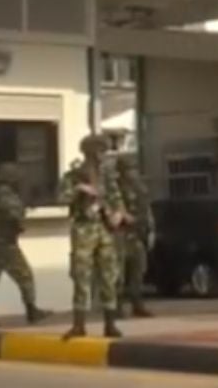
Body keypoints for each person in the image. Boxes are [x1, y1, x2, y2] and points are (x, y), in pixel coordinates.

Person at [59, 133, 127, 339]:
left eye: (103, 151)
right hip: (83, 228)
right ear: (89, 152)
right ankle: (79, 323)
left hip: (104, 229)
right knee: (82, 275)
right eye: (99, 151)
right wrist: (79, 190)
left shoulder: (107, 177)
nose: (102, 156)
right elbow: (61, 197)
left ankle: (110, 323)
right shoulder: (73, 176)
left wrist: (117, 214)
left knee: (109, 275)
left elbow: (117, 200)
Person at [0, 162, 50, 328]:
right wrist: (23, 214)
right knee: (25, 275)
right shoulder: (7, 196)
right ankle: (31, 310)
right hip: (5, 244)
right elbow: (15, 216)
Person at [115, 151, 154, 319]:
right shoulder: (116, 187)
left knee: (138, 271)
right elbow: (111, 205)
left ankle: (138, 305)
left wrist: (151, 229)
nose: (133, 172)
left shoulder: (140, 187)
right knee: (119, 273)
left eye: (134, 168)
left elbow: (147, 209)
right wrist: (123, 215)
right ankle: (116, 307)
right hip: (120, 234)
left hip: (138, 234)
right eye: (129, 168)